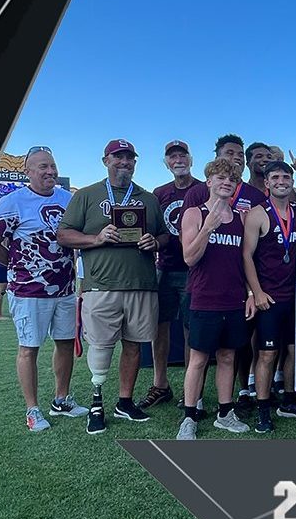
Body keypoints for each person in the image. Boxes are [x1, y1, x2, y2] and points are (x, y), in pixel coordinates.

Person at [56, 138, 168, 434]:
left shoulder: (148, 198)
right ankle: (97, 402)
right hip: (101, 285)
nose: (124, 162)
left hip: (141, 285)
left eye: (129, 158)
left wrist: (155, 242)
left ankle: (124, 402)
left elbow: (164, 235)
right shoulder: (87, 195)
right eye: (118, 157)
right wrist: (96, 238)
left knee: (134, 345)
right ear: (106, 161)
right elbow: (64, 235)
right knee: (101, 346)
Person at [0, 146, 87, 431]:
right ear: (27, 171)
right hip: (29, 292)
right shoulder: (13, 202)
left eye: (52, 166)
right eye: (43, 166)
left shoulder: (67, 199)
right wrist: (18, 264)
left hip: (64, 289)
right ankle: (32, 409)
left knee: (65, 343)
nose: (50, 171)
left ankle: (61, 399)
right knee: (29, 348)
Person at [176, 158, 255, 439]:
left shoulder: (240, 218)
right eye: (221, 177)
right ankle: (189, 416)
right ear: (209, 182)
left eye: (232, 179)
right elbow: (189, 258)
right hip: (203, 298)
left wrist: (249, 293)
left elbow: (244, 260)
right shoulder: (194, 213)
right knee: (198, 359)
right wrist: (208, 227)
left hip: (233, 299)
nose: (226, 182)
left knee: (227, 357)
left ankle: (225, 413)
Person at [242, 160, 296, 432]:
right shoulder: (257, 214)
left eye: (286, 177)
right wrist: (257, 292)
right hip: (270, 297)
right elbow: (246, 256)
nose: (281, 181)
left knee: (294, 351)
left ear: (292, 181)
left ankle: (289, 400)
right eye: (275, 177)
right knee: (267, 354)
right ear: (267, 183)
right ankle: (263, 409)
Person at [140, 140, 201, 410]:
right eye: (172, 157)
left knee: (190, 329)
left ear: (191, 159)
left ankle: (191, 389)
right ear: (166, 163)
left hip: (194, 271)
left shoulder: (202, 189)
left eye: (182, 155)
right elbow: (155, 229)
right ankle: (160, 384)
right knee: (159, 327)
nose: (178, 160)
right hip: (165, 267)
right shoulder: (159, 193)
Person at [182, 134, 267, 213]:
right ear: (217, 158)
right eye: (230, 153)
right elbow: (184, 224)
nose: (237, 157)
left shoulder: (257, 196)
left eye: (241, 155)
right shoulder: (196, 193)